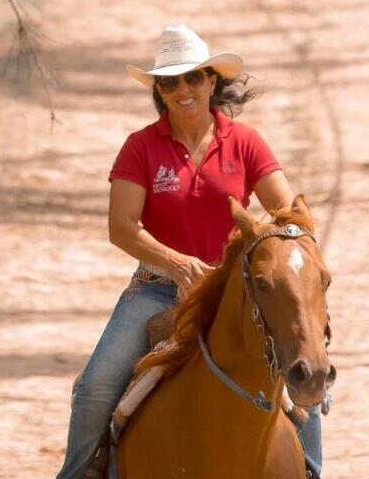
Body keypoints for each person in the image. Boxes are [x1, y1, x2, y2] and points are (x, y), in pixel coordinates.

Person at [55, 25, 322, 478]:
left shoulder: (245, 142)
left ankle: (311, 470)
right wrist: (177, 263)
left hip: (238, 294)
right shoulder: (140, 147)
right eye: (170, 82)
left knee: (306, 373)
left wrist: (275, 255)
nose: (183, 90)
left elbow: (289, 219)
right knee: (96, 386)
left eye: (193, 78)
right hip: (158, 289)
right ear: (159, 91)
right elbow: (121, 228)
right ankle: (78, 473)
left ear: (211, 81)